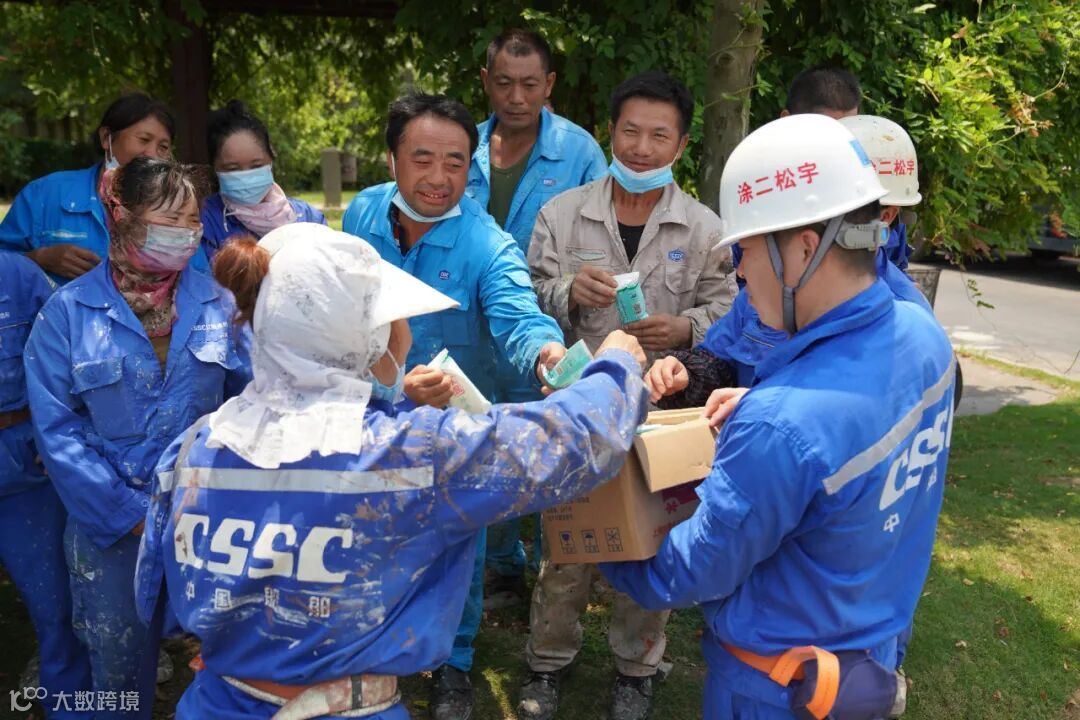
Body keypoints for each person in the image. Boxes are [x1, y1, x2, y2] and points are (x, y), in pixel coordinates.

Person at [132, 222, 650, 720]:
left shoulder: (195, 446)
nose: (403, 332)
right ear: (363, 337)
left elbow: (156, 601)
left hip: (215, 700)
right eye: (393, 319)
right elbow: (574, 441)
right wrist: (617, 365)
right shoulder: (410, 454)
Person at [602, 113, 956, 720]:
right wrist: (766, 407)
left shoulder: (780, 426)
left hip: (777, 687)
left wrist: (597, 533)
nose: (739, 271)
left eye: (744, 250)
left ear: (806, 248)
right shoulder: (923, 336)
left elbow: (688, 572)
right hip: (864, 659)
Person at [341, 93, 569, 719]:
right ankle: (367, 650)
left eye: (456, 162)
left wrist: (547, 353)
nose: (439, 178)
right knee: (369, 539)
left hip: (452, 426)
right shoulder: (361, 216)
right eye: (422, 159)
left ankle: (454, 665)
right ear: (392, 159)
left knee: (456, 550)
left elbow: (521, 316)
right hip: (369, 414)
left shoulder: (487, 244)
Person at [521, 70, 738, 720]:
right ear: (610, 133)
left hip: (662, 416)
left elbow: (731, 310)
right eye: (631, 132)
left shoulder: (704, 229)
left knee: (652, 541)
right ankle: (546, 663)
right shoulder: (563, 215)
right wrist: (566, 292)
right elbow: (526, 295)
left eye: (659, 136)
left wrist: (685, 328)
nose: (642, 148)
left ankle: (637, 668)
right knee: (565, 548)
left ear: (682, 143)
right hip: (578, 409)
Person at [24, 158, 252, 719]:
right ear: (120, 215)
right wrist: (133, 517)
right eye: (168, 219)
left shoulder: (219, 303)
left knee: (231, 664)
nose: (185, 233)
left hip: (209, 522)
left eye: (192, 220)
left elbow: (252, 401)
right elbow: (58, 432)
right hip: (112, 534)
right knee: (119, 668)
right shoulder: (67, 313)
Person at [467, 27, 608, 616]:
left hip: (549, 326)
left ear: (549, 84)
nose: (516, 97)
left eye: (529, 85)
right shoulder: (463, 147)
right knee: (487, 443)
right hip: (473, 329)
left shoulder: (579, 152)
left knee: (546, 451)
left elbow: (601, 237)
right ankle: (501, 567)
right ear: (486, 81)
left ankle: (558, 575)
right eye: (504, 83)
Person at [648, 113, 932, 404]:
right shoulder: (770, 289)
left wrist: (765, 407)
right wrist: (687, 375)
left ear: (885, 217)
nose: (742, 270)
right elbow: (721, 355)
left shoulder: (902, 318)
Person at [0, 253, 91, 719]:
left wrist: (57, 433)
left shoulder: (17, 274)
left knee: (56, 601)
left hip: (22, 460)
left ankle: (70, 707)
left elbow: (69, 355)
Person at [0, 93, 193, 284]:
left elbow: (194, 280)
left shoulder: (177, 209)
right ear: (106, 138)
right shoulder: (45, 194)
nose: (152, 154)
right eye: (143, 139)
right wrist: (39, 259)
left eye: (163, 147)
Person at [191, 99, 326, 273]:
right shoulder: (203, 220)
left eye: (256, 166)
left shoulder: (308, 218)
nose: (246, 176)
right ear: (215, 168)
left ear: (271, 158)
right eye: (232, 169)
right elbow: (201, 282)